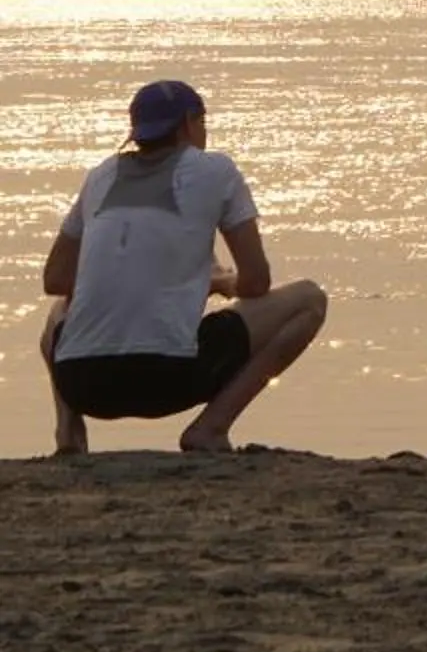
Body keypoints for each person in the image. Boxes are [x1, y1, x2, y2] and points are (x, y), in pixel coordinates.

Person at [40, 80, 330, 455]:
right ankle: (210, 428)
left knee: (58, 310)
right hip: (168, 379)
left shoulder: (101, 175)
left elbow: (57, 279)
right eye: (203, 122)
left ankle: (69, 431)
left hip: (81, 382)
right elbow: (257, 281)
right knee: (309, 300)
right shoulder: (216, 171)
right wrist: (221, 281)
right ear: (187, 126)